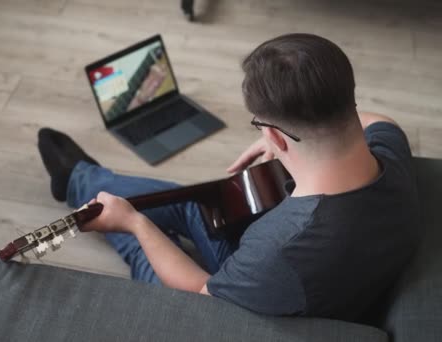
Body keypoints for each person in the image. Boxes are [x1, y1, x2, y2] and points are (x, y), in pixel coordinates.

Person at [37, 33, 420, 322]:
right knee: (192, 203)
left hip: (242, 293)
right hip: (313, 266)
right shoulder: (392, 154)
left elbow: (202, 293)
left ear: (271, 135)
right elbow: (381, 122)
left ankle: (83, 183)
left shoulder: (282, 247)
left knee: (143, 238)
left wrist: (135, 224)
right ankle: (78, 179)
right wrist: (294, 143)